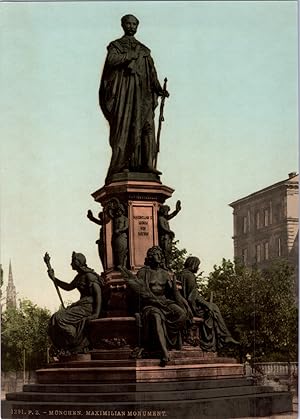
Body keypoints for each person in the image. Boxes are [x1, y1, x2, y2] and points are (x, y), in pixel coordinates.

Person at [99, 14, 169, 179]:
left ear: (137, 26)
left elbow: (151, 72)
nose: (131, 26)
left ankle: (147, 165)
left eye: (134, 24)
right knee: (125, 129)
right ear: (123, 25)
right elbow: (111, 61)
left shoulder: (144, 50)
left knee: (147, 128)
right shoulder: (116, 46)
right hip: (125, 97)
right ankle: (121, 165)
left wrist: (159, 89)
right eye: (128, 23)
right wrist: (129, 56)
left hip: (143, 96)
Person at [119, 246, 192, 366]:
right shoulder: (143, 272)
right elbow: (140, 293)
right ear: (150, 257)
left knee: (181, 314)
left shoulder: (165, 273)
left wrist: (185, 305)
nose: (159, 257)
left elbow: (173, 293)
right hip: (150, 304)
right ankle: (164, 352)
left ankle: (167, 340)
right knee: (156, 317)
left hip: (164, 302)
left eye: (160, 254)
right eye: (155, 255)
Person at [177, 256, 238, 352]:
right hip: (190, 308)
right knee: (213, 308)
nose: (198, 268)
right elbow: (193, 297)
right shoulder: (190, 276)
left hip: (184, 306)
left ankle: (224, 337)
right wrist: (206, 304)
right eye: (197, 265)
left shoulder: (180, 274)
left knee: (212, 310)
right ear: (193, 265)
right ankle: (223, 337)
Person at [47, 252, 103, 355]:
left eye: (72, 261)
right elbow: (68, 287)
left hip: (88, 307)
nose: (71, 264)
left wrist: (96, 313)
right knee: (54, 319)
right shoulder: (79, 277)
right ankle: (70, 344)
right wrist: (54, 279)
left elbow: (98, 294)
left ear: (78, 262)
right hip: (81, 306)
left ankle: (76, 341)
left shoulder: (89, 276)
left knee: (59, 317)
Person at [158, 201, 181, 268]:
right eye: (166, 211)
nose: (167, 213)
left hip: (167, 237)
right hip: (164, 237)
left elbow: (170, 216)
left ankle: (166, 265)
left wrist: (176, 211)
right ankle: (165, 265)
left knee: (168, 251)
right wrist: (170, 232)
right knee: (165, 251)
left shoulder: (164, 218)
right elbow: (162, 227)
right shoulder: (161, 218)